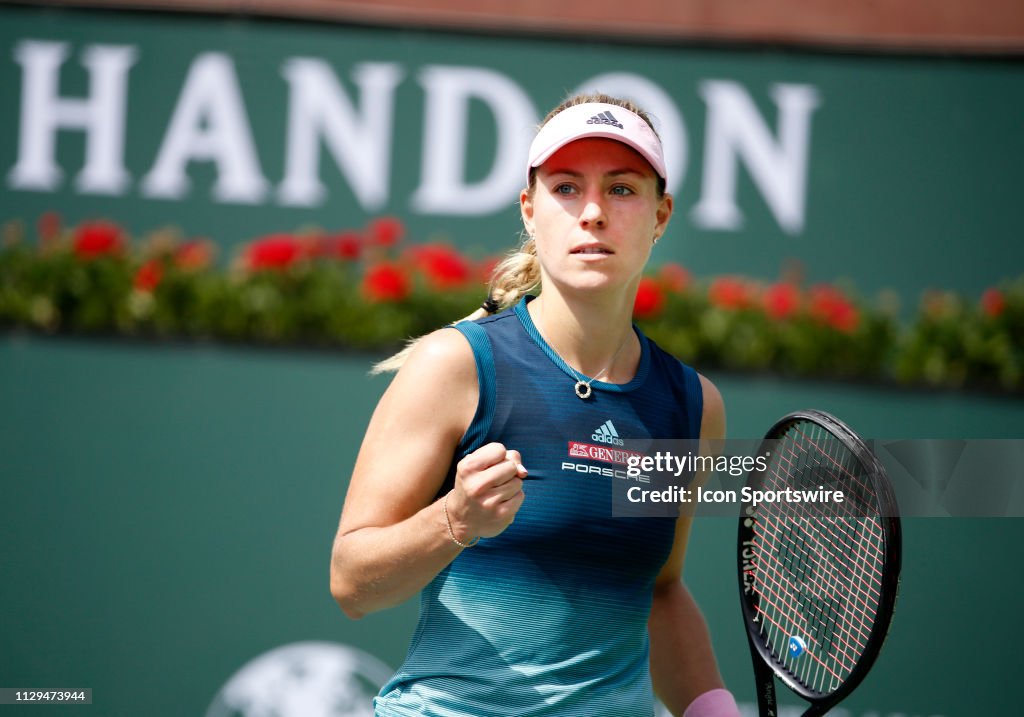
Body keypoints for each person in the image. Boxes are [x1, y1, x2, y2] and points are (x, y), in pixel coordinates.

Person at [330, 92, 740, 717]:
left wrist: (712, 709)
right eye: (567, 188)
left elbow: (657, 590)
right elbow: (352, 583)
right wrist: (455, 522)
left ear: (661, 216)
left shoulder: (691, 407)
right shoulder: (455, 365)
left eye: (623, 189)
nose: (594, 212)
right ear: (530, 209)